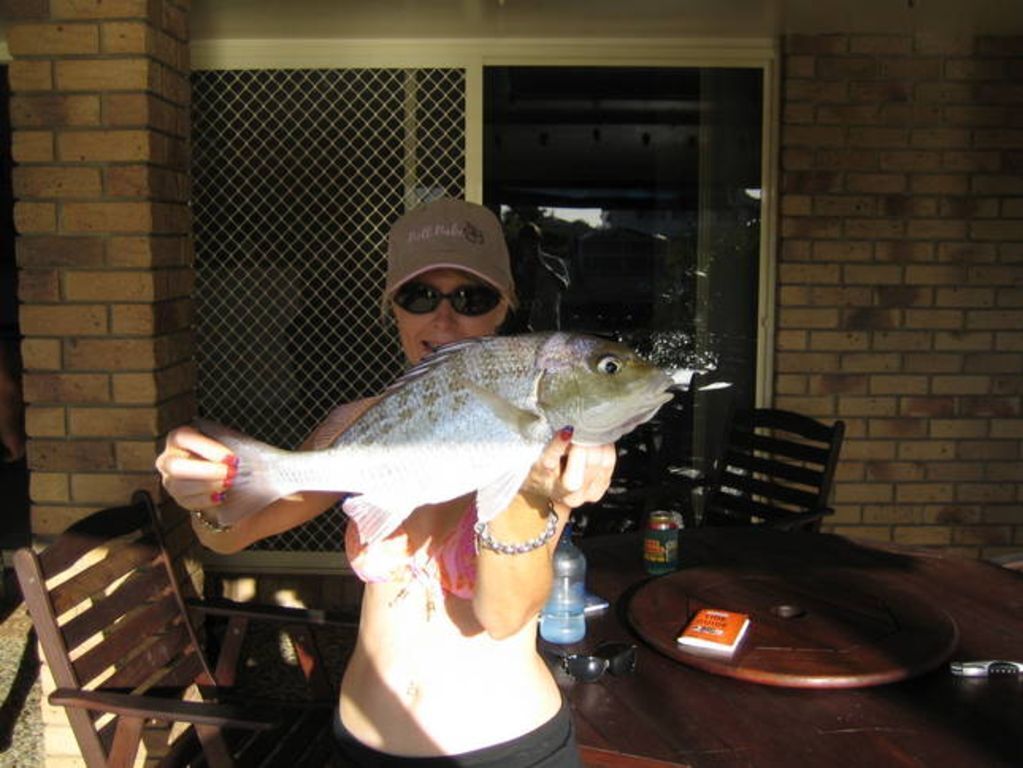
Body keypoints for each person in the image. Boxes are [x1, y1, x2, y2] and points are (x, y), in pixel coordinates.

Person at [154, 197, 616, 766]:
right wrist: (205, 496)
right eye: (419, 296)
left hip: (504, 749)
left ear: (503, 311)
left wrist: (530, 491)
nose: (443, 320)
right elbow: (228, 536)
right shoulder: (360, 424)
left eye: (473, 298)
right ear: (392, 308)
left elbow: (504, 618)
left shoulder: (541, 437)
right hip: (360, 742)